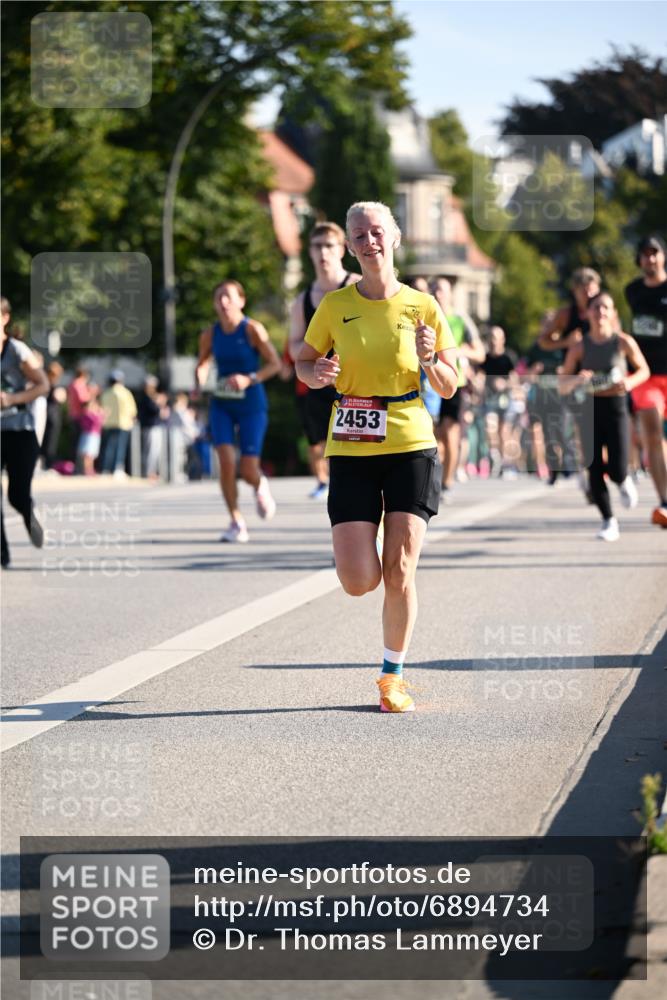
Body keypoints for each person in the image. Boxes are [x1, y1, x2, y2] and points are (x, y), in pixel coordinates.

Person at [296, 201, 458, 713]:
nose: (370, 241)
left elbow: (451, 386)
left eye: (377, 232)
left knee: (401, 566)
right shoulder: (334, 305)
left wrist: (430, 360)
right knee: (358, 579)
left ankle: (393, 676)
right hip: (351, 442)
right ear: (349, 246)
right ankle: (363, 554)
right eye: (360, 235)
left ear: (395, 237)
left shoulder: (424, 306)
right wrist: (314, 374)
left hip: (410, 438)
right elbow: (303, 361)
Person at [195, 279, 281, 543]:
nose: (223, 302)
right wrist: (199, 382)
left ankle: (260, 484)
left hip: (251, 404)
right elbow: (202, 364)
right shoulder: (209, 334)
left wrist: (249, 378)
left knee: (247, 468)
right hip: (222, 402)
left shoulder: (252, 329)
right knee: (226, 463)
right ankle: (236, 521)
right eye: (218, 297)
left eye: (228, 297)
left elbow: (274, 364)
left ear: (241, 301)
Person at [559, 292, 649, 541]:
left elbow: (644, 370)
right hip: (588, 409)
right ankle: (608, 520)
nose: (600, 312)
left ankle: (623, 479)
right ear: (588, 313)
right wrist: (578, 379)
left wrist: (629, 382)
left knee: (618, 468)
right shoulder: (579, 346)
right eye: (596, 308)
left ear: (613, 313)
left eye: (605, 308)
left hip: (617, 407)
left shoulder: (622, 342)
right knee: (594, 467)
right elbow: (562, 384)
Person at [288, 222, 360, 499]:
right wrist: (314, 360)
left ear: (342, 249)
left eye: (329, 245)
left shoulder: (356, 286)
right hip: (318, 380)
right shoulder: (302, 301)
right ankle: (323, 481)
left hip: (354, 382)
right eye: (317, 246)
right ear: (310, 251)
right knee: (316, 438)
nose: (323, 252)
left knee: (353, 442)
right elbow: (294, 343)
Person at [0, 296, 49, 568]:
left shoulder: (16, 351)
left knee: (17, 495)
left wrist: (11, 399)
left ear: (5, 318)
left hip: (20, 431)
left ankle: (29, 516)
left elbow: (43, 385)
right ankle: (1, 554)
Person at [624, 235, 667, 528]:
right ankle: (664, 501)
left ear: (663, 256)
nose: (650, 259)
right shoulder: (632, 291)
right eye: (645, 255)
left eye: (655, 253)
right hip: (645, 375)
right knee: (651, 432)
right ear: (639, 260)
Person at [430, 276, 485, 499]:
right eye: (433, 289)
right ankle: (434, 479)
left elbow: (479, 352)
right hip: (428, 384)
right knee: (432, 437)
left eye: (441, 289)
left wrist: (458, 352)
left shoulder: (460, 320)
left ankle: (447, 483)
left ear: (450, 293)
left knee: (450, 435)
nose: (437, 293)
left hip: (454, 384)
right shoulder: (423, 316)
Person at [480, 326, 520, 477]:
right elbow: (480, 375)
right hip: (490, 399)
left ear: (502, 340)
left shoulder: (509, 357)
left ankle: (506, 465)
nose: (493, 341)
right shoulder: (485, 358)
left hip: (505, 399)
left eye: (496, 338)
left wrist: (504, 384)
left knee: (504, 432)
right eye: (491, 338)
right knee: (490, 427)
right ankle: (494, 455)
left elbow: (515, 379)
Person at [100, 369, 137, 476]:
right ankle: (117, 468)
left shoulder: (106, 393)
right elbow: (132, 410)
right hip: (123, 423)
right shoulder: (125, 393)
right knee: (120, 447)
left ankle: (106, 469)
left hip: (108, 423)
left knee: (108, 447)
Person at [137, 374, 166, 480]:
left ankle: (152, 471)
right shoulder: (146, 398)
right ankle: (148, 472)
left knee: (155, 451)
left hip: (155, 426)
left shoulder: (151, 397)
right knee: (149, 451)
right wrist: (159, 403)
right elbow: (154, 410)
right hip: (149, 426)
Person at [41, 361, 65, 470]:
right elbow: (60, 398)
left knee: (43, 439)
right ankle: (48, 465)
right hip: (52, 414)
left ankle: (42, 462)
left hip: (43, 414)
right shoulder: (55, 385)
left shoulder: (43, 383)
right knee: (51, 441)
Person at [77, 393, 105, 476]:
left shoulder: (91, 413)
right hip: (89, 436)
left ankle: (90, 469)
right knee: (87, 455)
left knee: (91, 455)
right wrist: (101, 414)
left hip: (94, 436)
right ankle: (87, 470)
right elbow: (97, 422)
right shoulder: (87, 414)